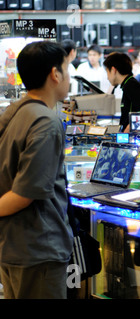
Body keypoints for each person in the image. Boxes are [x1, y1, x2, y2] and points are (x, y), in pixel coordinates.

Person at [0, 41, 73, 298]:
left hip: (12, 245)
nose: (69, 77)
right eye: (67, 69)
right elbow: (25, 193)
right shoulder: (45, 121)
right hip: (38, 248)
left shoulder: (15, 111)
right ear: (55, 74)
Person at [103, 52, 140, 132]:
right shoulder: (127, 84)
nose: (107, 77)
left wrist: (129, 128)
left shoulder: (130, 84)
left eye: (107, 72)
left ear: (113, 70)